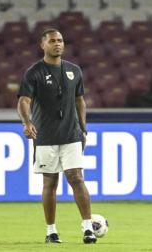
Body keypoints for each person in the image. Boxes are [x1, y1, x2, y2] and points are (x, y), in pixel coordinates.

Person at [17, 28, 96, 244]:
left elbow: (80, 99)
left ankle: (88, 228)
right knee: (50, 183)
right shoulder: (34, 72)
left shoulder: (74, 70)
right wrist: (27, 122)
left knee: (76, 178)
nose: (58, 44)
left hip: (71, 134)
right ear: (42, 45)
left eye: (60, 40)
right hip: (45, 136)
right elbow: (24, 100)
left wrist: (83, 127)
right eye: (52, 41)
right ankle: (51, 231)